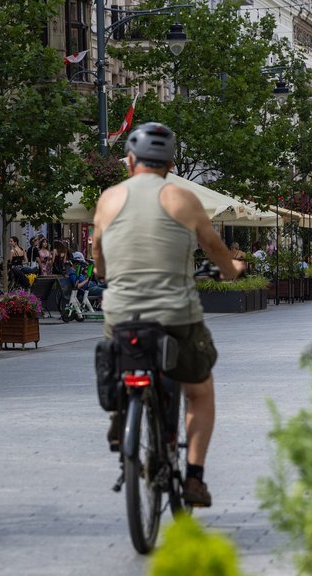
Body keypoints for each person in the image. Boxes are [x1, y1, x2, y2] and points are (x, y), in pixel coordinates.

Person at [93, 122, 245, 508]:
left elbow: (98, 257)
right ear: (170, 165)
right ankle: (194, 477)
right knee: (199, 391)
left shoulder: (109, 198)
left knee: (119, 350)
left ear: (130, 161)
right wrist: (231, 270)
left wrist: (105, 273)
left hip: (122, 312)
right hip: (176, 314)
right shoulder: (183, 198)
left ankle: (123, 411)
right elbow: (215, 249)